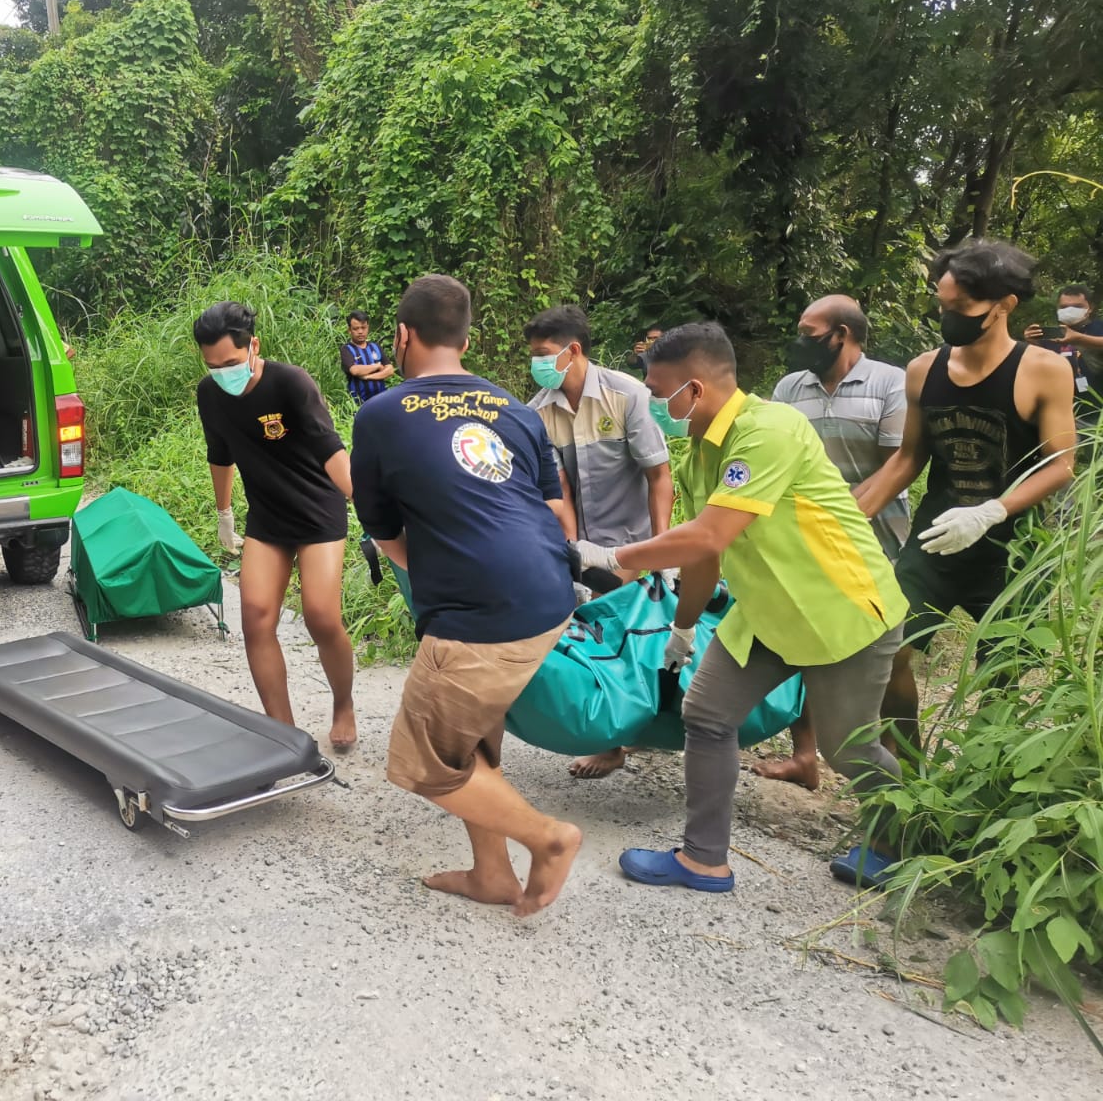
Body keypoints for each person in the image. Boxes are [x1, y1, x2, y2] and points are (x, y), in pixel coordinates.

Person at [576, 322, 909, 893]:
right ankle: (704, 859)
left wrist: (611, 555)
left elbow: (709, 534)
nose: (653, 405)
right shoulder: (699, 455)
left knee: (848, 748)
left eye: (657, 393)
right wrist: (682, 630)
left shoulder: (769, 430)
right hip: (767, 615)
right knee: (706, 714)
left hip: (842, 610)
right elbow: (704, 555)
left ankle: (899, 845)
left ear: (694, 389)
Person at [353, 274, 582, 916]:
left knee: (422, 764)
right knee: (469, 739)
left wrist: (444, 572)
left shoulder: (380, 415)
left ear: (402, 336)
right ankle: (492, 874)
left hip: (480, 609)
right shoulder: (516, 409)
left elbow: (384, 533)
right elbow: (555, 513)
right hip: (548, 590)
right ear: (467, 339)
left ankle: (548, 838)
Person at [856, 240, 1076, 761]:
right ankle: (909, 773)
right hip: (935, 539)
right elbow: (909, 458)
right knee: (888, 650)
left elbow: (1061, 464)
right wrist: (849, 515)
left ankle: (972, 783)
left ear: (1004, 305)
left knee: (1001, 674)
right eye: (943, 305)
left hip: (1014, 549)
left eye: (962, 307)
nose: (948, 316)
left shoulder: (1043, 370)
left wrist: (992, 511)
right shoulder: (922, 370)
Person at [755, 295, 909, 790]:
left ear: (841, 334)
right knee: (805, 639)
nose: (800, 341)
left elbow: (898, 463)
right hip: (806, 541)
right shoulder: (790, 388)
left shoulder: (890, 383)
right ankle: (806, 756)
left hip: (876, 540)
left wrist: (845, 516)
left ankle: (905, 765)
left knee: (891, 656)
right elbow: (776, 454)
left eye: (809, 332)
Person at [193, 301, 359, 750]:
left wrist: (364, 502)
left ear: (253, 346)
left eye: (230, 363)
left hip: (318, 511)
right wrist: (224, 514)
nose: (222, 374)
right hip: (267, 517)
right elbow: (219, 454)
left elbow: (330, 449)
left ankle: (343, 704)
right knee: (256, 618)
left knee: (321, 616)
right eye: (212, 366)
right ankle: (284, 734)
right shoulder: (210, 394)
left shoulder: (290, 383)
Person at [524, 304, 674, 778]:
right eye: (533, 355)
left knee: (637, 637)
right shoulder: (538, 411)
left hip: (632, 541)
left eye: (543, 353)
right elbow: (559, 488)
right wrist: (572, 555)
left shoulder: (626, 395)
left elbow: (659, 476)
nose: (537, 363)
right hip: (584, 542)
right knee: (594, 639)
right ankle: (611, 741)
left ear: (573, 351)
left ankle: (648, 729)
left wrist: (662, 551)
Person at [1024, 283, 1102, 428]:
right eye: (1064, 307)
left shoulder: (1098, 329)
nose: (1070, 310)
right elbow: (1041, 368)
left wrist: (1079, 339)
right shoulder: (1051, 335)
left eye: (1077, 306)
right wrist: (1032, 344)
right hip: (1062, 413)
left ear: (1090, 308)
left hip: (1096, 413)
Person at [340, 310, 394, 405]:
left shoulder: (375, 347)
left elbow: (390, 370)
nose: (360, 332)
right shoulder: (346, 349)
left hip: (381, 401)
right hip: (358, 404)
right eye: (356, 328)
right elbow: (355, 370)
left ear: (368, 328)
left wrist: (367, 377)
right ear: (349, 330)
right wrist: (377, 366)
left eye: (363, 328)